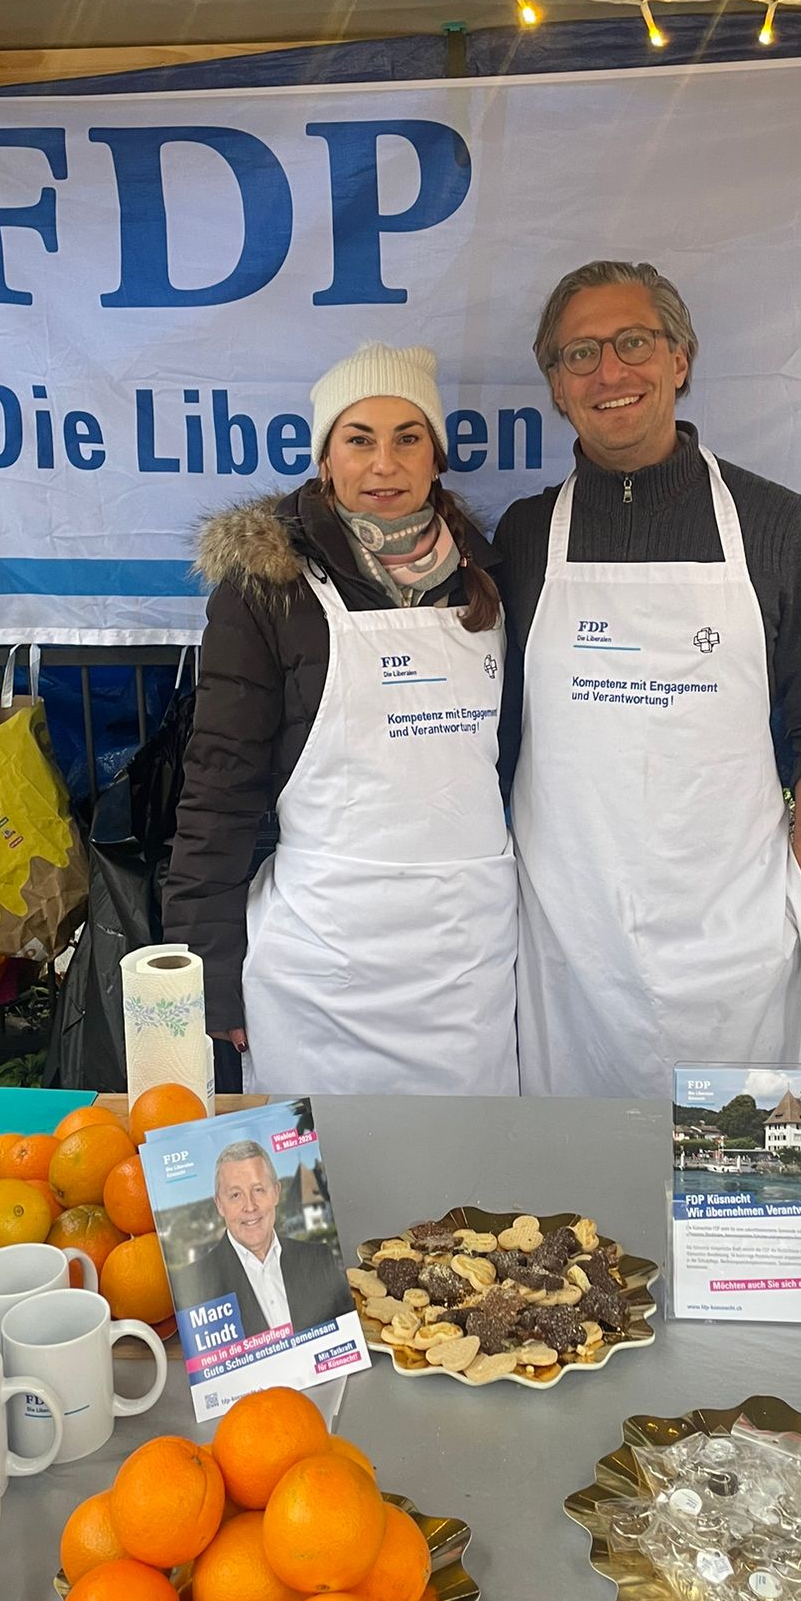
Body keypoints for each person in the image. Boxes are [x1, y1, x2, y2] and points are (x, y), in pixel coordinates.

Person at [493, 260, 801, 1098]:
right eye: (580, 354)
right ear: (557, 386)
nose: (610, 372)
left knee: (751, 1176)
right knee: (575, 1178)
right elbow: (492, 736)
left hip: (738, 951)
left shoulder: (776, 524)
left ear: (679, 358)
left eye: (633, 342)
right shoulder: (523, 536)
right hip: (569, 954)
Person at [163, 343, 518, 1096]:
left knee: (466, 1167)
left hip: (467, 962)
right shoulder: (270, 591)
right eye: (360, 440)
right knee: (324, 1162)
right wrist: (207, 970)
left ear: (436, 457)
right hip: (326, 962)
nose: (385, 464)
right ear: (326, 459)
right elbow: (220, 786)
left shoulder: (489, 579)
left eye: (408, 438)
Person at [171, 1140, 351, 1333]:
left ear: (276, 1193)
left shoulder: (319, 1258)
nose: (250, 1206)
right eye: (235, 1195)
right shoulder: (193, 1285)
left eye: (258, 1190)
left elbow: (349, 1332)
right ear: (220, 1205)